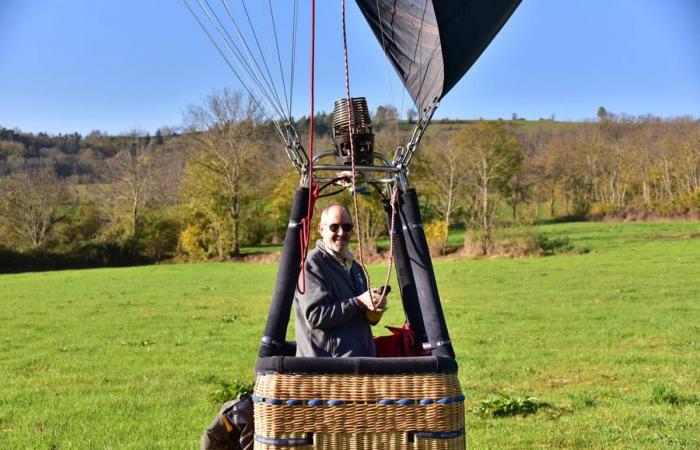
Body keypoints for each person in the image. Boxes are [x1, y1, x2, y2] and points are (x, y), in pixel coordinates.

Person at [294, 203, 388, 357]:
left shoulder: (355, 266)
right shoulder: (311, 265)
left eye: (347, 227)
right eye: (334, 227)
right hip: (328, 369)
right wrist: (359, 302)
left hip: (359, 363)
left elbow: (361, 315)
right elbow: (315, 316)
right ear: (321, 229)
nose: (341, 232)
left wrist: (374, 307)